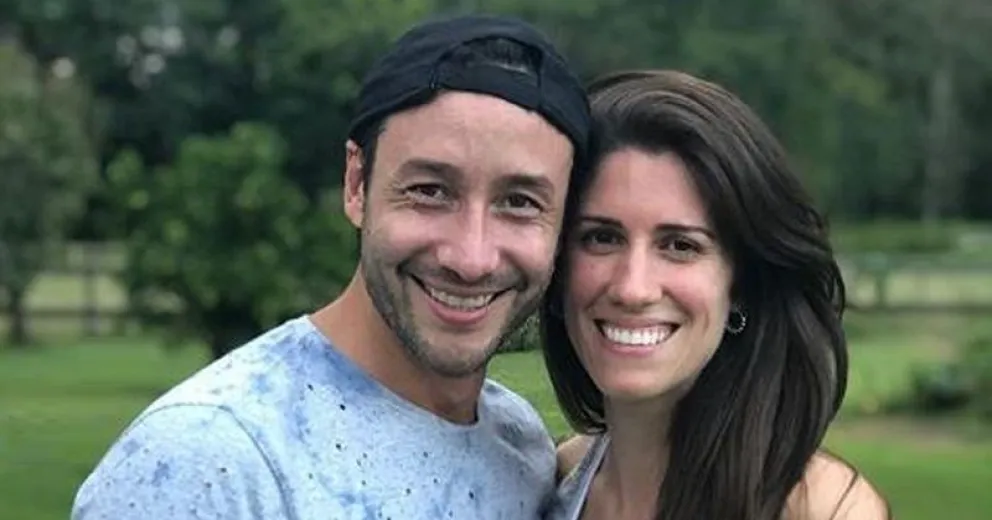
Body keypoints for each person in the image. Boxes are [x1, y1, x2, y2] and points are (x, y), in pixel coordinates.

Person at [72, 13, 591, 520]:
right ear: (356, 184)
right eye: (430, 191)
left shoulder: (520, 449)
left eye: (519, 202)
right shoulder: (208, 461)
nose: (471, 258)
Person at [540, 70, 891, 520]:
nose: (632, 288)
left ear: (741, 285)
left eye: (680, 245)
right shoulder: (553, 480)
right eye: (602, 238)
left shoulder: (820, 508)